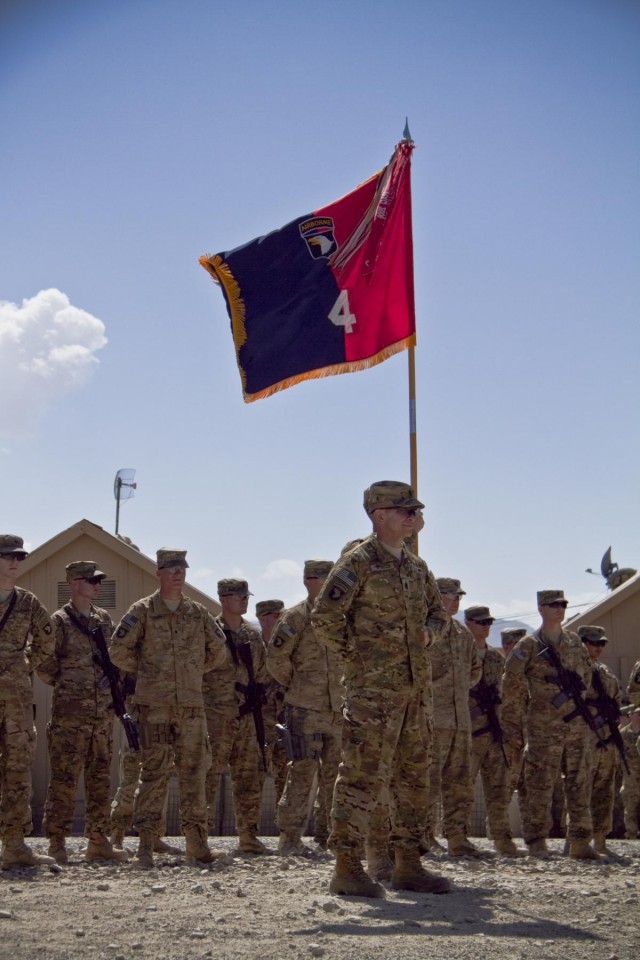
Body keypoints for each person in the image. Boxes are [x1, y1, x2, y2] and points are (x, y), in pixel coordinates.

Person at [311, 480, 451, 897]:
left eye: (414, 510)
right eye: (403, 509)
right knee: (361, 777)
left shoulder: (415, 567)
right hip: (372, 696)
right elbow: (325, 618)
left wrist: (428, 634)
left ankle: (408, 863)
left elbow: (438, 616)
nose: (412, 516)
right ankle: (348, 867)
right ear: (378, 515)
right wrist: (359, 658)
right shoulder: (358, 563)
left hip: (413, 693)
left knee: (413, 780)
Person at [109, 547, 228, 868]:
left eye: (182, 568)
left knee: (194, 776)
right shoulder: (144, 611)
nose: (178, 573)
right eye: (172, 568)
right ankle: (146, 846)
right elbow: (118, 650)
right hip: (154, 708)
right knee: (154, 775)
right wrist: (149, 671)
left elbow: (219, 650)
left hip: (190, 708)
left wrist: (191, 671)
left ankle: (197, 846)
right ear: (159, 572)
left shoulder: (197, 612)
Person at [38, 561, 128, 864]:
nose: (97, 586)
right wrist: (69, 684)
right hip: (70, 716)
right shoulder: (60, 621)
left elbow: (114, 658)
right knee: (64, 778)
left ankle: (98, 841)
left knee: (100, 778)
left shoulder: (103, 620)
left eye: (99, 581)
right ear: (74, 583)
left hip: (101, 714)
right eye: (91, 581)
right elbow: (44, 662)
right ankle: (56, 842)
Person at [501, 590, 597, 859]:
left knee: (579, 780)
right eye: (554, 604)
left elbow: (586, 676)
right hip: (543, 726)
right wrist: (523, 719)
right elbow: (511, 687)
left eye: (563, 604)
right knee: (539, 783)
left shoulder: (575, 643)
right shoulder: (528, 646)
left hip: (576, 723)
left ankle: (579, 840)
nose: (560, 608)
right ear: (541, 608)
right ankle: (536, 840)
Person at [266, 560, 342, 856]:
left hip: (338, 710)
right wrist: (298, 687)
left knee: (336, 776)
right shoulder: (295, 618)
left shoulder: (341, 618)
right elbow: (276, 660)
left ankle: (330, 837)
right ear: (308, 582)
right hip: (305, 710)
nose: (323, 585)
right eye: (318, 579)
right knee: (301, 773)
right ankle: (290, 838)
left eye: (328, 580)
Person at [0, 534, 55, 868]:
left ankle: (15, 846)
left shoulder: (28, 603)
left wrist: (22, 665)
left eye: (19, 557)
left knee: (17, 771)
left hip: (16, 702)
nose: (15, 563)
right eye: (8, 557)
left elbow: (47, 641)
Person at [204, 579, 269, 854]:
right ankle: (199, 837)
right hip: (217, 715)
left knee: (248, 777)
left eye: (246, 595)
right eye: (238, 596)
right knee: (209, 775)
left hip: (246, 716)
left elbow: (264, 671)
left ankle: (248, 836)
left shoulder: (252, 635)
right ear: (223, 598)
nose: (244, 600)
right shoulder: (209, 632)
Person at [424, 578, 482, 857]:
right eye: (449, 595)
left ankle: (458, 837)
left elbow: (475, 671)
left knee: (460, 782)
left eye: (458, 595)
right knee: (428, 781)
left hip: (460, 720)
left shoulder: (463, 634)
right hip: (432, 720)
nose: (455, 600)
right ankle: (425, 836)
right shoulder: (424, 630)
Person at [465, 604, 520, 856]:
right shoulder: (461, 654)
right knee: (462, 789)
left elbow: (503, 693)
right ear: (469, 624)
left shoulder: (497, 659)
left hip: (494, 731)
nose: (486, 626)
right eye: (481, 622)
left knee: (499, 788)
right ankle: (457, 837)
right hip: (468, 733)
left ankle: (501, 838)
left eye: (488, 622)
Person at [578, 625, 622, 855]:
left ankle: (600, 838)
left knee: (605, 789)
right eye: (592, 643)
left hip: (607, 738)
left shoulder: (606, 673)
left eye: (601, 643)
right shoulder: (576, 671)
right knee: (581, 790)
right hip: (586, 738)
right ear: (582, 643)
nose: (597, 648)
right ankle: (576, 838)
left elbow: (617, 702)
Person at [255, 599, 288, 807]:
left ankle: (283, 827)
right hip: (259, 720)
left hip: (285, 720)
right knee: (255, 774)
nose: (281, 621)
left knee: (285, 774)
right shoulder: (252, 647)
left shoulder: (287, 647)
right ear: (263, 618)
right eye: (277, 616)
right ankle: (250, 830)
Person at [499, 627, 528, 799]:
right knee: (503, 796)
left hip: (529, 743)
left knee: (530, 796)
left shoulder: (531, 673)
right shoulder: (498, 673)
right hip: (507, 744)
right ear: (507, 645)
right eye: (518, 645)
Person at [620, 709, 640, 838]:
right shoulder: (623, 733)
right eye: (637, 714)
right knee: (630, 804)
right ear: (630, 715)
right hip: (630, 774)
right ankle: (631, 833)